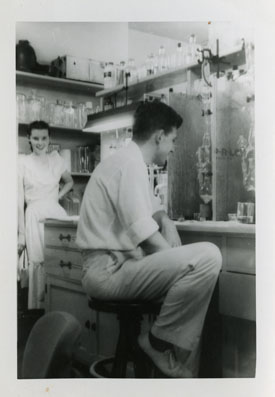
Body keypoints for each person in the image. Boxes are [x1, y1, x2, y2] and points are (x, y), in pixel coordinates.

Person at [76, 101, 222, 378]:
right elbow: (146, 238)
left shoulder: (129, 163)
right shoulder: (129, 166)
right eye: (173, 140)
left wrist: (166, 221)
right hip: (109, 271)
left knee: (200, 279)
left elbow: (150, 208)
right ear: (159, 136)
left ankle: (173, 362)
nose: (173, 147)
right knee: (209, 255)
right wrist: (178, 260)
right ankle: (156, 343)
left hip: (116, 267)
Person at [18, 120, 74, 309]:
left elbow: (69, 182)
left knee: (61, 257)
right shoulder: (23, 162)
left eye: (44, 138)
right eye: (35, 138)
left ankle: (61, 305)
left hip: (56, 213)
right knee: (39, 260)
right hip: (34, 214)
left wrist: (55, 197)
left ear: (49, 138)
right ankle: (40, 309)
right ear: (29, 139)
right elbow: (18, 196)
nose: (40, 142)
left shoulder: (56, 159)